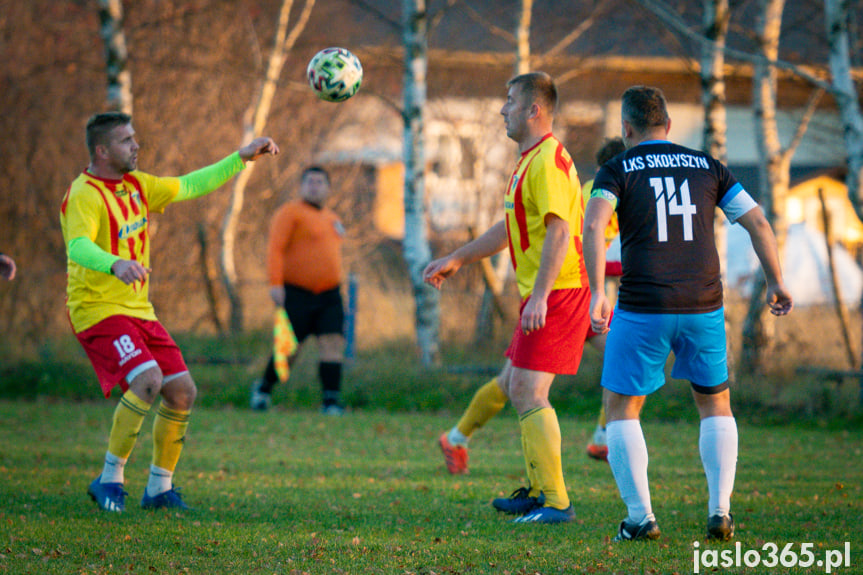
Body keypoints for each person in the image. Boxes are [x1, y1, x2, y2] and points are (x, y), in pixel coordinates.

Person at [583, 85, 793, 542]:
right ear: (669, 126)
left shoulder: (615, 167)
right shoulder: (707, 165)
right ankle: (720, 512)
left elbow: (596, 222)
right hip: (703, 305)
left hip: (643, 306)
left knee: (621, 409)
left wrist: (598, 290)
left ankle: (640, 519)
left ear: (626, 128)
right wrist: (776, 281)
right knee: (715, 403)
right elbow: (757, 221)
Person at [60, 111, 279, 512]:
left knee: (182, 392)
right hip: (97, 310)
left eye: (134, 138)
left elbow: (191, 185)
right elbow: (76, 246)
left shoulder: (139, 186)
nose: (136, 145)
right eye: (126, 141)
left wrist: (241, 157)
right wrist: (115, 263)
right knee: (147, 380)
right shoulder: (84, 194)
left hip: (138, 311)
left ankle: (159, 490)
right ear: (102, 150)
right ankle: (109, 480)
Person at [424, 72, 589, 524]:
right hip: (544, 292)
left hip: (557, 291)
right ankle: (539, 491)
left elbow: (559, 229)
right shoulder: (528, 161)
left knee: (529, 390)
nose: (503, 109)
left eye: (510, 101)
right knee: (516, 384)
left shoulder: (549, 160)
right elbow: (511, 229)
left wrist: (539, 297)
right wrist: (458, 257)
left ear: (534, 110)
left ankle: (555, 502)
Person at [436, 137, 627, 473]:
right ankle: (461, 440)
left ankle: (602, 437)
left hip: (578, 295)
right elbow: (573, 246)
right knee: (516, 383)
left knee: (625, 355)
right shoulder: (591, 193)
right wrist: (618, 270)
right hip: (564, 293)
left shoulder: (618, 201)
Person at [249, 166, 347, 415]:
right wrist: (275, 283)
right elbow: (275, 249)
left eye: (320, 182)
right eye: (310, 182)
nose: (314, 186)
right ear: (301, 186)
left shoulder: (333, 219)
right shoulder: (290, 213)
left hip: (329, 294)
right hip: (298, 293)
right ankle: (263, 389)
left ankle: (331, 402)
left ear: (328, 188)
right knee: (289, 350)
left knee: (332, 342)